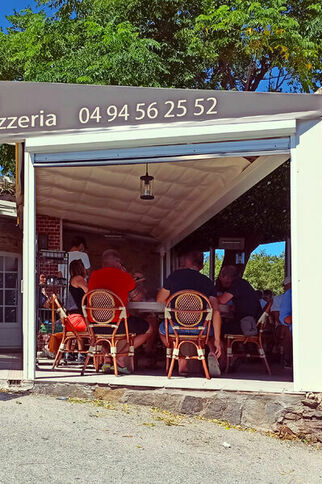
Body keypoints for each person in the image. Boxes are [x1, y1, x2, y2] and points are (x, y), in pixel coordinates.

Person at [157, 250, 221, 375]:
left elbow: (159, 299)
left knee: (161, 330)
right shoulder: (207, 282)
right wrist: (217, 340)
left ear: (186, 262)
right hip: (200, 329)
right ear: (201, 266)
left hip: (175, 328)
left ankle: (180, 356)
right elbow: (216, 312)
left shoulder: (174, 277)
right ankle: (212, 352)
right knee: (210, 333)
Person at [88, 249, 152, 374]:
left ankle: (107, 357)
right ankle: (120, 357)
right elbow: (136, 296)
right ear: (118, 262)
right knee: (149, 329)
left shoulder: (94, 275)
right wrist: (127, 275)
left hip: (96, 326)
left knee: (105, 335)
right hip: (119, 325)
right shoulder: (124, 276)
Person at [217, 265, 262, 336]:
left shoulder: (237, 284)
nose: (220, 279)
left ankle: (223, 347)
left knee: (217, 329)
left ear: (228, 277)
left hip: (248, 325)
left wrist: (210, 298)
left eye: (221, 276)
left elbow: (223, 300)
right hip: (252, 323)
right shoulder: (242, 283)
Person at [65, 259, 88, 332]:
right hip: (77, 320)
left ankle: (83, 343)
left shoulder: (73, 279)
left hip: (71, 320)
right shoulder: (78, 278)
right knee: (99, 326)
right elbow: (90, 292)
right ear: (81, 268)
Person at [279, 276, 292, 368]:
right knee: (286, 328)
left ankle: (288, 359)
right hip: (285, 324)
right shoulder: (289, 295)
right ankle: (288, 358)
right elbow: (284, 319)